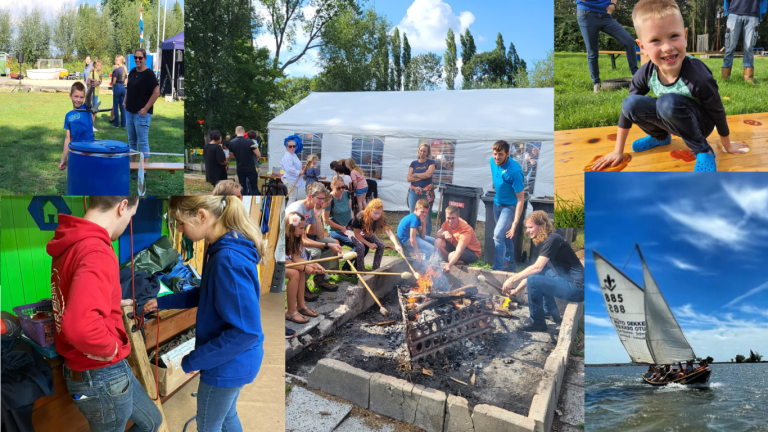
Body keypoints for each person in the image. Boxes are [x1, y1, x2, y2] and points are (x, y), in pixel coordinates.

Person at [143, 196, 266, 432]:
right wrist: (162, 302)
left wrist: (195, 360)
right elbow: (207, 293)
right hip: (234, 360)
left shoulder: (227, 259)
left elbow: (246, 332)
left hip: (228, 363)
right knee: (227, 415)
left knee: (208, 425)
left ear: (201, 216)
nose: (179, 230)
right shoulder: (222, 248)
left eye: (180, 223)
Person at [47, 196, 163, 432]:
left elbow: (74, 292)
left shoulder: (71, 242)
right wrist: (111, 349)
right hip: (100, 375)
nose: (128, 222)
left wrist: (110, 301)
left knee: (152, 421)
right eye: (131, 216)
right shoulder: (97, 250)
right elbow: (80, 326)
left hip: (104, 373)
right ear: (122, 206)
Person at [592, 0, 749, 173]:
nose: (667, 47)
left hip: (701, 125)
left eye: (674, 36)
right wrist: (617, 151)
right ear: (642, 47)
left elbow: (717, 111)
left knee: (666, 103)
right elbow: (627, 111)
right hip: (672, 116)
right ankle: (661, 137)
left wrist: (727, 144)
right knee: (630, 103)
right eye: (655, 40)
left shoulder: (699, 76)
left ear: (685, 36)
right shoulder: (645, 73)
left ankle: (703, 150)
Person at [502, 211, 585, 332]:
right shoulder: (550, 240)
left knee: (534, 281)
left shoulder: (553, 240)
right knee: (543, 275)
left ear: (541, 226)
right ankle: (551, 311)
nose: (527, 231)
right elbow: (537, 271)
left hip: (578, 288)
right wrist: (516, 290)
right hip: (570, 282)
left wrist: (512, 279)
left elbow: (537, 268)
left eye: (530, 227)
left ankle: (537, 322)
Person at [285, 182, 343, 295]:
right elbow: (302, 240)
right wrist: (326, 245)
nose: (322, 202)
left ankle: (319, 279)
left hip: (300, 239)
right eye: (320, 199)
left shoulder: (311, 208)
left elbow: (320, 236)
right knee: (315, 252)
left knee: (332, 242)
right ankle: (303, 285)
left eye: (323, 199)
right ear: (310, 196)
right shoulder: (297, 210)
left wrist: (317, 216)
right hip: (290, 243)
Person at [576, 0, 639, 93]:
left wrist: (613, 4)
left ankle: (637, 77)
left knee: (629, 41)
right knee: (592, 51)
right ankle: (596, 83)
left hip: (605, 15)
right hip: (586, 14)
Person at [490, 140, 525, 272]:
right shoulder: (492, 161)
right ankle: (510, 265)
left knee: (498, 235)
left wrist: (515, 223)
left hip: (509, 207)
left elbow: (521, 199)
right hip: (496, 204)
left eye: (500, 154)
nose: (497, 157)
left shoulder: (515, 171)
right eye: (495, 154)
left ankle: (498, 268)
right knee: (505, 235)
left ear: (507, 154)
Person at [284, 212, 323, 324]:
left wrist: (314, 264)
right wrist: (305, 266)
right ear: (291, 227)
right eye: (301, 228)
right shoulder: (283, 237)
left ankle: (301, 305)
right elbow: (284, 260)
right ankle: (291, 311)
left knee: (300, 271)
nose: (303, 231)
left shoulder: (296, 237)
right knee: (295, 273)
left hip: (288, 263)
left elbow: (296, 258)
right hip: (277, 264)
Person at [124, 48, 160, 165]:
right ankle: (133, 166)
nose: (137, 60)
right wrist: (125, 101)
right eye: (135, 57)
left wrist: (145, 108)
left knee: (143, 142)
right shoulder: (133, 71)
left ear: (145, 59)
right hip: (129, 112)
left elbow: (157, 92)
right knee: (132, 141)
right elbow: (128, 88)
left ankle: (144, 169)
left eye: (140, 58)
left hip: (141, 114)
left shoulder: (149, 74)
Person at [348, 199, 403, 272]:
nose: (377, 216)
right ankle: (361, 272)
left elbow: (389, 232)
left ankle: (376, 269)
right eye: (375, 213)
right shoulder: (360, 217)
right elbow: (357, 234)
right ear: (369, 210)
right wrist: (369, 244)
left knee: (381, 245)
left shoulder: (380, 218)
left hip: (366, 232)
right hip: (353, 232)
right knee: (361, 247)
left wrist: (396, 244)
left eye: (379, 213)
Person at [722, 0, 766, 84]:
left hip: (753, 13)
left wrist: (763, 11)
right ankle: (725, 78)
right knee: (730, 47)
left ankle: (748, 78)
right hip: (734, 12)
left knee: (749, 47)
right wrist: (725, 8)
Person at [323, 175, 358, 271]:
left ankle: (357, 268)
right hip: (335, 230)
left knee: (364, 244)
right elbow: (325, 220)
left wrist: (353, 223)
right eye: (339, 188)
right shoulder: (329, 199)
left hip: (348, 228)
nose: (342, 190)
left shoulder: (347, 194)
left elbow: (350, 210)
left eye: (343, 187)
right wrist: (341, 227)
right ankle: (346, 268)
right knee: (359, 245)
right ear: (332, 186)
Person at [434, 206, 482, 272]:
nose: (450, 221)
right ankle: (450, 261)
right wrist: (444, 233)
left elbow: (459, 251)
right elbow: (436, 236)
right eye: (448, 218)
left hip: (472, 252)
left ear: (458, 216)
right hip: (455, 246)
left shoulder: (465, 230)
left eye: (453, 218)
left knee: (451, 256)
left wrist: (449, 265)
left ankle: (460, 263)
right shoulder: (446, 223)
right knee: (438, 242)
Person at [60, 82, 95, 170]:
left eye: (81, 97)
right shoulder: (68, 116)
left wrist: (91, 87)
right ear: (70, 96)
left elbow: (88, 96)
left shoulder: (86, 108)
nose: (79, 100)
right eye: (76, 96)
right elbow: (68, 139)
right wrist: (63, 159)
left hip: (89, 150)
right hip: (75, 152)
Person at [407, 143, 436, 235]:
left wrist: (415, 175)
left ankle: (425, 238)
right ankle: (413, 237)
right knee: (413, 214)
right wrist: (422, 176)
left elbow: (428, 174)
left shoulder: (431, 162)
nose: (422, 153)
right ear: (418, 151)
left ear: (428, 153)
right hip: (413, 191)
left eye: (424, 151)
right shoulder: (413, 163)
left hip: (426, 192)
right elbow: (408, 178)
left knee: (426, 217)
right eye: (421, 150)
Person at [397, 199, 436, 263]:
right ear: (416, 209)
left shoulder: (417, 218)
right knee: (431, 249)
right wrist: (418, 255)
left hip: (411, 237)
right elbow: (412, 240)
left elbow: (422, 235)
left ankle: (434, 257)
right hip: (406, 241)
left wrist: (424, 223)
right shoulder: (414, 219)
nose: (424, 214)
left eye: (426, 212)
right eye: (422, 212)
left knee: (433, 240)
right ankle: (424, 265)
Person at [227, 126, 261, 195]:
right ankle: (254, 202)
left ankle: (243, 202)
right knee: (254, 187)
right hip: (250, 168)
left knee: (242, 188)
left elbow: (232, 156)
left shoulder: (231, 142)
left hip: (240, 167)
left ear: (235, 133)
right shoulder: (249, 141)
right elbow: (258, 155)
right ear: (244, 131)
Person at [281, 135, 306, 205]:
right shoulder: (287, 156)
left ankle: (289, 213)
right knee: (292, 198)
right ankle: (288, 213)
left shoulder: (293, 154)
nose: (292, 148)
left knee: (293, 198)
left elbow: (294, 166)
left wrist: (301, 168)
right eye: (290, 146)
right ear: (287, 147)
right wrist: (299, 172)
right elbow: (289, 169)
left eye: (294, 146)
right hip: (290, 179)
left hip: (293, 179)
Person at [85, 59, 102, 129]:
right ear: (97, 66)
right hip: (93, 94)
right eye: (100, 66)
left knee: (95, 110)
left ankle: (91, 125)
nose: (100, 67)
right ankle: (90, 126)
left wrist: (101, 75)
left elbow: (100, 82)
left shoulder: (96, 74)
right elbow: (88, 82)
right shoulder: (92, 74)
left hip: (96, 94)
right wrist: (94, 83)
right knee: (93, 110)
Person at [112, 55, 127, 128]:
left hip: (117, 87)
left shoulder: (116, 70)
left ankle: (116, 123)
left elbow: (114, 82)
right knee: (122, 106)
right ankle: (123, 124)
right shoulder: (124, 70)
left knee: (115, 106)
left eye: (116, 60)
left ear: (120, 61)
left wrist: (113, 84)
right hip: (123, 88)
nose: (115, 61)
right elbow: (125, 82)